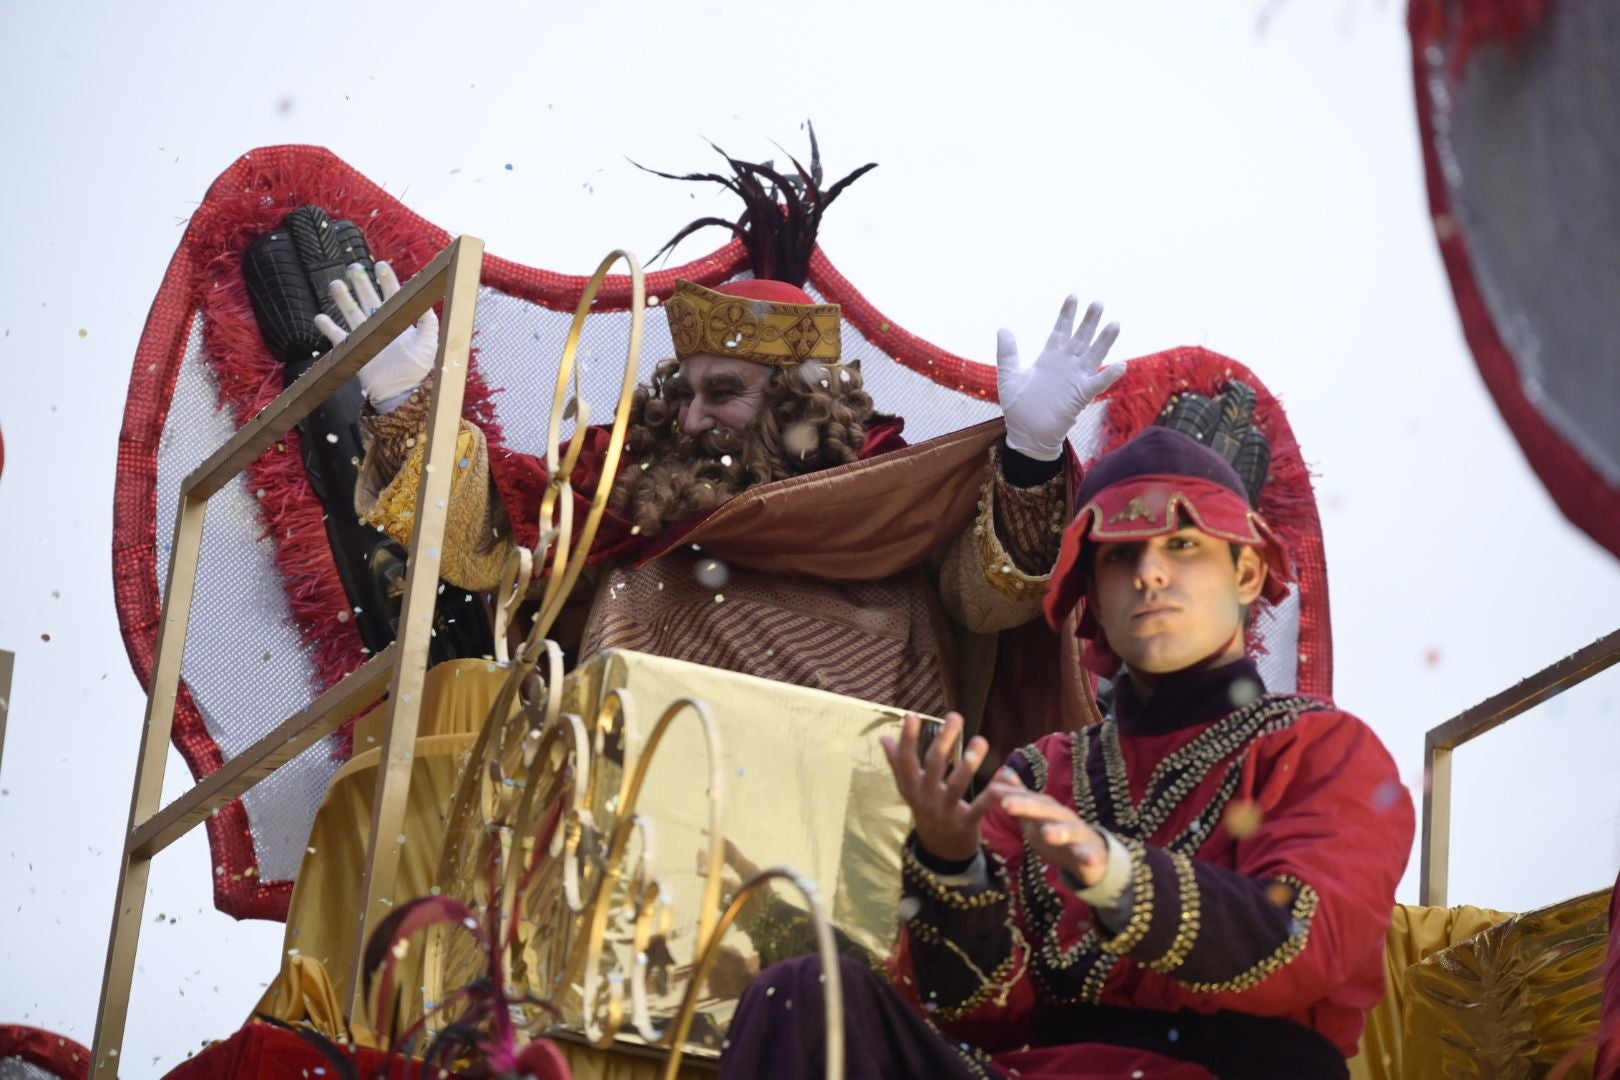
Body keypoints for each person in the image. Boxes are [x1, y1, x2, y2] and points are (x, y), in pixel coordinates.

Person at [325, 147, 1124, 753]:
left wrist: (1028, 457)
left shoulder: (893, 503)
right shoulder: (626, 503)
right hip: (623, 852)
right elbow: (487, 547)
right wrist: (407, 406)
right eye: (688, 393)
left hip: (859, 865)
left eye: (724, 393)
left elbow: (992, 603)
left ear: (796, 401)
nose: (696, 418)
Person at [718, 425, 1415, 1079]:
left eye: (1182, 547)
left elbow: (1301, 942)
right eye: (1120, 556)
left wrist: (1112, 873)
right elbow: (982, 1019)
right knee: (803, 996)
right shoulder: (1040, 773)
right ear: (1091, 599)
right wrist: (952, 868)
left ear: (1246, 574)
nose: (1149, 576)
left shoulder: (1325, 749)